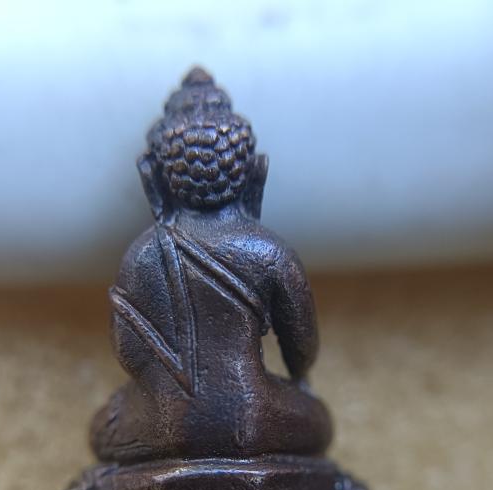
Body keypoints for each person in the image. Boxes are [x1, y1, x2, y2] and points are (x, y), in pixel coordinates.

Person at [90, 68, 332, 464]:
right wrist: (298, 381)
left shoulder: (142, 254)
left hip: (164, 421)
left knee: (103, 427)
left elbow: (129, 353)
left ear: (153, 179)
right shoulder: (269, 251)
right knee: (319, 419)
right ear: (256, 172)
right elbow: (301, 349)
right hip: (252, 414)